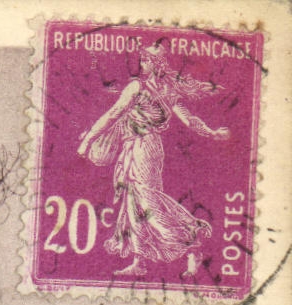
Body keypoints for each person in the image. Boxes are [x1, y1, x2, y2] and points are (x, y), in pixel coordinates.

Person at [76, 42, 230, 276]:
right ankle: (140, 262)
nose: (142, 64)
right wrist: (212, 132)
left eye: (146, 60)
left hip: (142, 147)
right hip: (145, 147)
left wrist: (88, 140)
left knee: (147, 201)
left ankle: (191, 244)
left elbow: (112, 114)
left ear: (155, 63)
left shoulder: (137, 87)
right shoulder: (169, 92)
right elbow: (190, 121)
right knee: (134, 201)